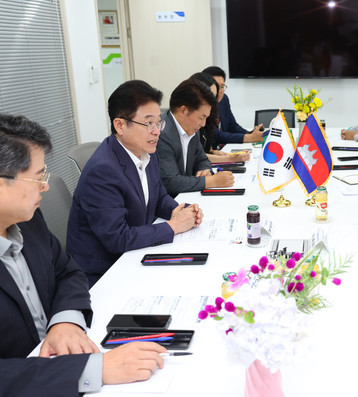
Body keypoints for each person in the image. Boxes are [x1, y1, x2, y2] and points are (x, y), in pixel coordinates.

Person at [0, 114, 167, 396]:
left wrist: (64, 321)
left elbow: (67, 271)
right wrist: (92, 370)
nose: (46, 186)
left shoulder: (28, 221)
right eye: (39, 176)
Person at [67, 80, 203, 286]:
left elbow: (158, 196)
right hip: (104, 274)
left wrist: (181, 211)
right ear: (120, 125)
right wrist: (173, 226)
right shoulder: (103, 171)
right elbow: (118, 238)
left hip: (133, 256)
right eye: (149, 123)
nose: (157, 131)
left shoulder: (146, 152)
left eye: (159, 122)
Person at [157, 78, 235, 196]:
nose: (203, 124)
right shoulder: (162, 133)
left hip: (188, 197)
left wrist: (205, 171)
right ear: (183, 110)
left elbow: (202, 159)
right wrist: (211, 181)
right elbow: (170, 182)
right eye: (201, 117)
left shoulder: (191, 128)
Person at [188, 72, 251, 164]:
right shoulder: (192, 120)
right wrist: (231, 158)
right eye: (210, 95)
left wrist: (213, 152)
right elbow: (196, 156)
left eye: (222, 87)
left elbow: (202, 151)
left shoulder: (210, 111)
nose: (214, 99)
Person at [202, 66, 263, 145]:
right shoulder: (202, 107)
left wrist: (250, 134)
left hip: (223, 149)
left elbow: (232, 126)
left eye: (222, 86)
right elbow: (215, 135)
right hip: (210, 152)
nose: (219, 91)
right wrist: (249, 138)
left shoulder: (224, 99)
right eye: (216, 87)